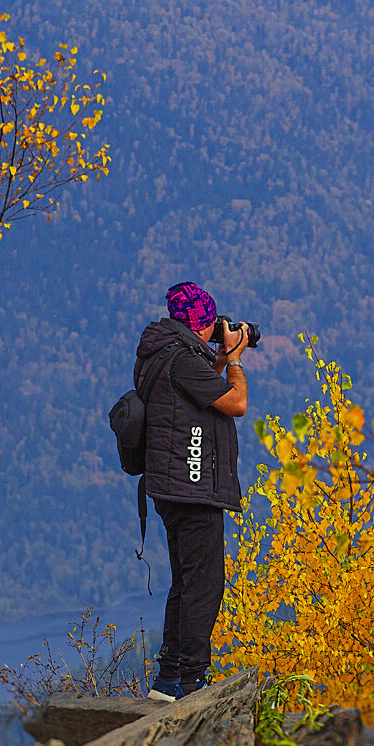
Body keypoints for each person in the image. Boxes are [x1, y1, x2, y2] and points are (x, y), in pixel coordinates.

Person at [135, 281, 250, 701]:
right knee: (205, 584)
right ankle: (191, 681)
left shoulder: (162, 352)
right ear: (202, 323)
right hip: (192, 486)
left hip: (170, 486)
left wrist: (217, 359)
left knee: (185, 582)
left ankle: (168, 679)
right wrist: (235, 359)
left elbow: (192, 390)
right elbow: (236, 402)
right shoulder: (183, 360)